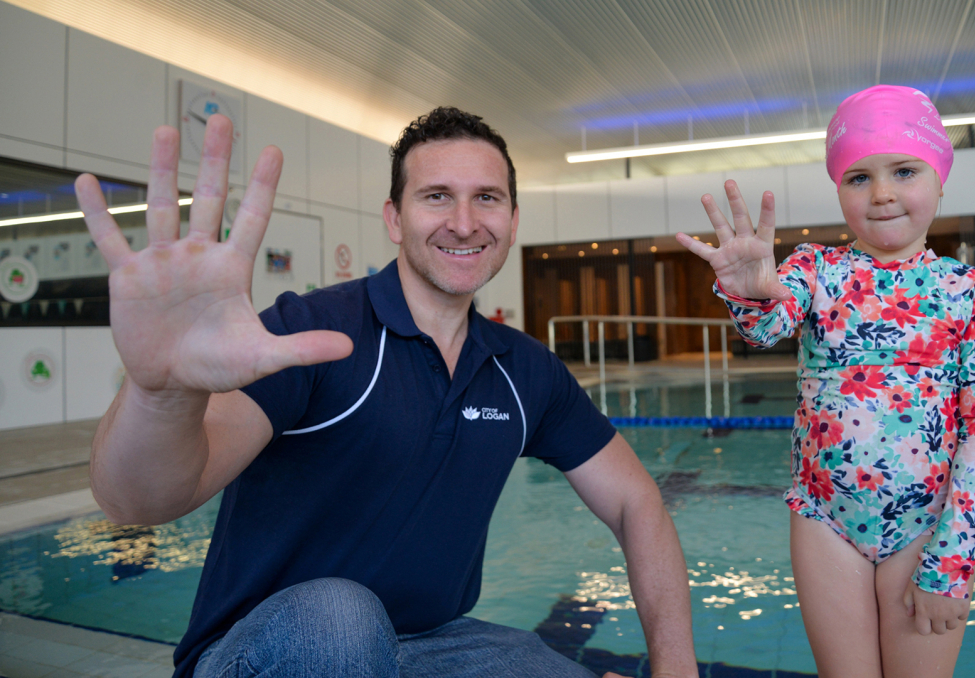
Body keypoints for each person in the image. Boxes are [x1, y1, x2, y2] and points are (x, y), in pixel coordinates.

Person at [76, 107, 699, 678]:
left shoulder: (525, 370)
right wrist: (162, 393)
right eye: (436, 197)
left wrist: (675, 669)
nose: (464, 221)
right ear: (394, 218)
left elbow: (636, 504)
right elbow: (136, 502)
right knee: (340, 618)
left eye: (487, 197)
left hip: (430, 645)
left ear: (511, 220)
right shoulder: (312, 333)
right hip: (271, 651)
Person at [675, 85, 975, 677]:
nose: (881, 192)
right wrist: (748, 290)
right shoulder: (816, 268)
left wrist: (952, 563)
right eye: (858, 177)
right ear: (839, 190)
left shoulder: (973, 292)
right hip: (824, 519)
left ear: (940, 179)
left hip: (927, 524)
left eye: (904, 170)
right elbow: (769, 324)